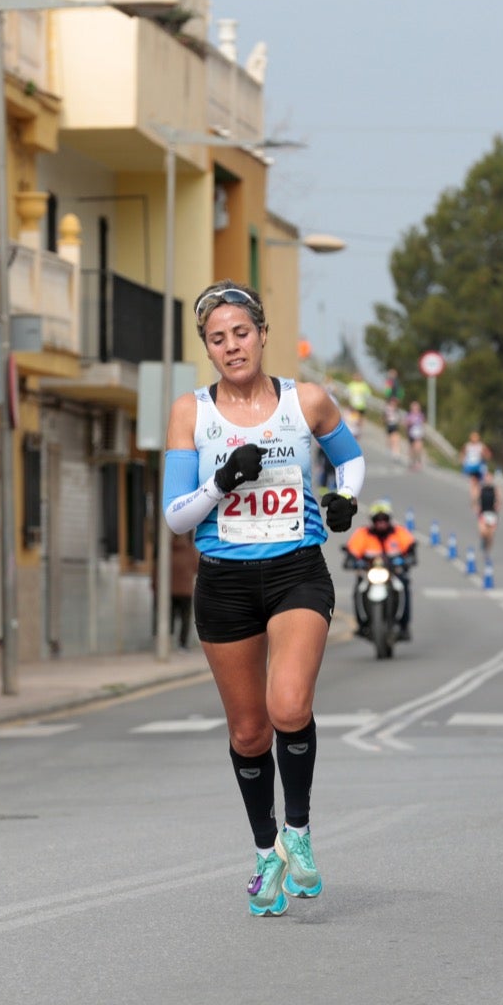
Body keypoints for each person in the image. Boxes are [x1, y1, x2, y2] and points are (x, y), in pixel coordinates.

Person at [163, 280, 365, 917]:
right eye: (217, 339)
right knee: (249, 732)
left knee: (288, 704)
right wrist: (222, 481)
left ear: (263, 334)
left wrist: (344, 498)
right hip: (224, 580)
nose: (232, 347)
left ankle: (299, 833)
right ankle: (266, 849)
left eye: (241, 333)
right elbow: (174, 516)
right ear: (207, 348)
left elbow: (348, 457)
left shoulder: (304, 400)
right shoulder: (190, 414)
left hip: (295, 571)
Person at [344, 499, 417, 641]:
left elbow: (411, 549)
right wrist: (353, 562)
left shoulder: (399, 533)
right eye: (377, 519)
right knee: (358, 589)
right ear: (372, 520)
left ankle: (403, 625)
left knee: (404, 586)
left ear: (389, 519)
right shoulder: (363, 534)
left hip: (393, 573)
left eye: (384, 519)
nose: (381, 522)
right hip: (369, 574)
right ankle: (362, 624)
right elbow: (352, 553)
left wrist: (407, 560)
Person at [169, 531, 199, 650]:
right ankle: (182, 644)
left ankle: (168, 640)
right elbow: (197, 567)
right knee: (185, 619)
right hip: (186, 590)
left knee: (170, 616)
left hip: (170, 590)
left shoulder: (168, 550)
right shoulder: (190, 551)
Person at [476, 471, 501, 560]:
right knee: (483, 532)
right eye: (487, 477)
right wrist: (477, 507)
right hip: (483, 513)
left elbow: (499, 500)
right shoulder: (481, 488)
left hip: (492, 514)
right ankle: (483, 541)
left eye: (490, 478)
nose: (488, 479)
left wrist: (498, 505)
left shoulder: (495, 489)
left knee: (490, 535)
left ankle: (487, 552)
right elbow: (476, 499)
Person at [461, 431, 489, 500]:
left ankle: (476, 496)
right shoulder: (468, 445)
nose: (474, 439)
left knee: (478, 482)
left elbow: (487, 454)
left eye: (476, 437)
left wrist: (484, 456)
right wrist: (463, 462)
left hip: (478, 466)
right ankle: (474, 497)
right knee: (473, 481)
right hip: (470, 466)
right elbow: (462, 453)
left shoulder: (481, 446)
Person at [405, 401, 427, 470]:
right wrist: (409, 423)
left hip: (418, 435)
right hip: (411, 434)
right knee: (412, 449)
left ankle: (418, 462)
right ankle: (412, 462)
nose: (415, 409)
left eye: (416, 408)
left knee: (418, 448)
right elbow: (406, 424)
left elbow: (423, 423)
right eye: (413, 408)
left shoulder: (420, 415)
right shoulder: (409, 415)